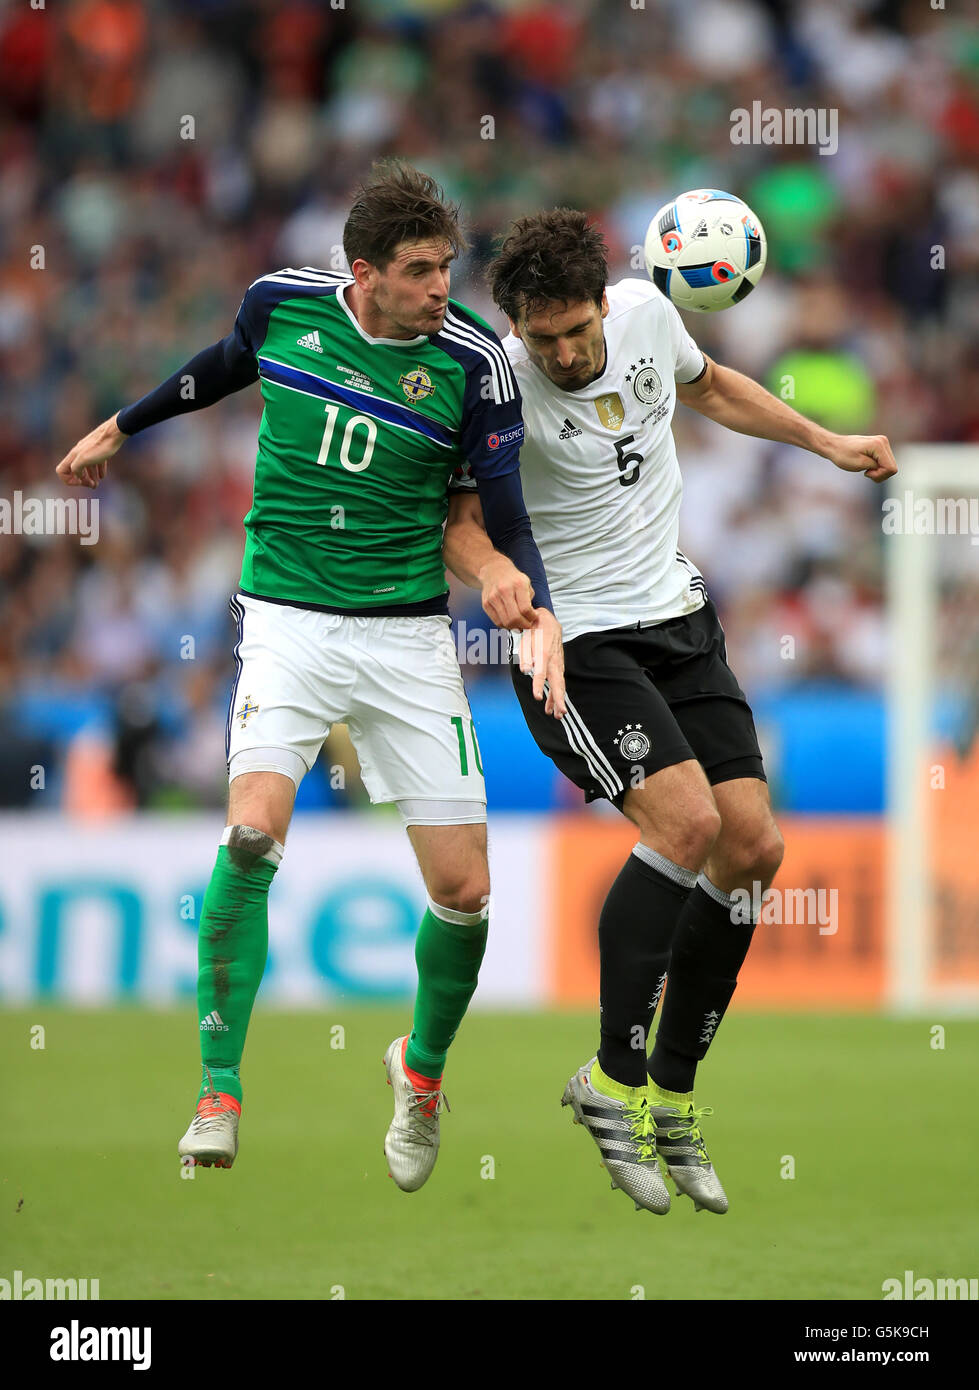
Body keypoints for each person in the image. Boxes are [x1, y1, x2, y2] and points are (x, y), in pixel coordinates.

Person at [56, 163, 565, 1194]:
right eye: (420, 272)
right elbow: (222, 365)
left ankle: (418, 1074)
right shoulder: (281, 304)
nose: (441, 289)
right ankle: (216, 1089)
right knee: (251, 829)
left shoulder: (473, 364)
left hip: (407, 634)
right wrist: (125, 423)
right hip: (287, 618)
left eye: (447, 269)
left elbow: (491, 517)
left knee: (465, 891)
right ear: (363, 273)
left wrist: (525, 593)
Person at [443, 209, 896, 1215]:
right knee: (686, 826)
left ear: (605, 303)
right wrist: (492, 580)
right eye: (542, 335)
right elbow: (459, 521)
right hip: (575, 644)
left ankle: (675, 1099)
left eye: (576, 330)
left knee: (752, 848)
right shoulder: (495, 383)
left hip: (678, 619)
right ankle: (609, 1079)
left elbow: (711, 386)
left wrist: (820, 439)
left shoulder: (650, 313)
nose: (563, 352)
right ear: (515, 325)